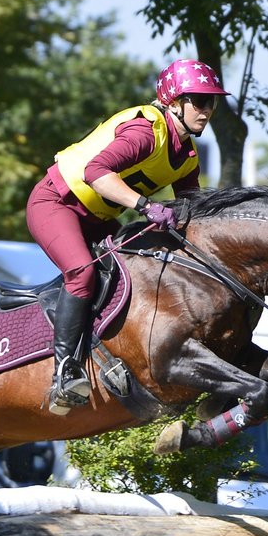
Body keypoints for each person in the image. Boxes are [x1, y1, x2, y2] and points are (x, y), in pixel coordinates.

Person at [26, 58, 230, 413]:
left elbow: (191, 209)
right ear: (174, 101)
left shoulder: (187, 157)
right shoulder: (146, 132)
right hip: (56, 204)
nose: (207, 110)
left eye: (211, 102)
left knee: (139, 278)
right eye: (199, 101)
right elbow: (95, 173)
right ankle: (64, 373)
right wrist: (147, 206)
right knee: (83, 273)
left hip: (99, 218)